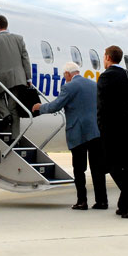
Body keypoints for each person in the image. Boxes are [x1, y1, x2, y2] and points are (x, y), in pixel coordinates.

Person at [32, 62, 107, 210]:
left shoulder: (69, 87)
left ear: (67, 74)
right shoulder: (94, 85)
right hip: (95, 131)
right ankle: (102, 201)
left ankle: (82, 201)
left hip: (78, 132)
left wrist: (39, 108)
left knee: (79, 169)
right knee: (97, 168)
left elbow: (56, 106)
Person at [96, 45, 128, 218]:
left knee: (111, 165)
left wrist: (101, 128)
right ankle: (125, 205)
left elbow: (101, 107)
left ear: (108, 57)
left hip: (112, 129)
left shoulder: (105, 77)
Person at [0, 15, 32, 141]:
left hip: (1, 79)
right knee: (14, 108)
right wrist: (28, 78)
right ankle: (15, 139)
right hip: (18, 79)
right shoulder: (19, 39)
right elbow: (25, 59)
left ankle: (5, 114)